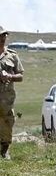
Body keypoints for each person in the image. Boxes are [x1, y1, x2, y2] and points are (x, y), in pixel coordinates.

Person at [0, 26, 24, 159]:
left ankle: (4, 151)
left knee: (7, 122)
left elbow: (20, 76)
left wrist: (9, 76)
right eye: (0, 36)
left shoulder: (12, 55)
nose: (2, 39)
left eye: (4, 36)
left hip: (6, 98)